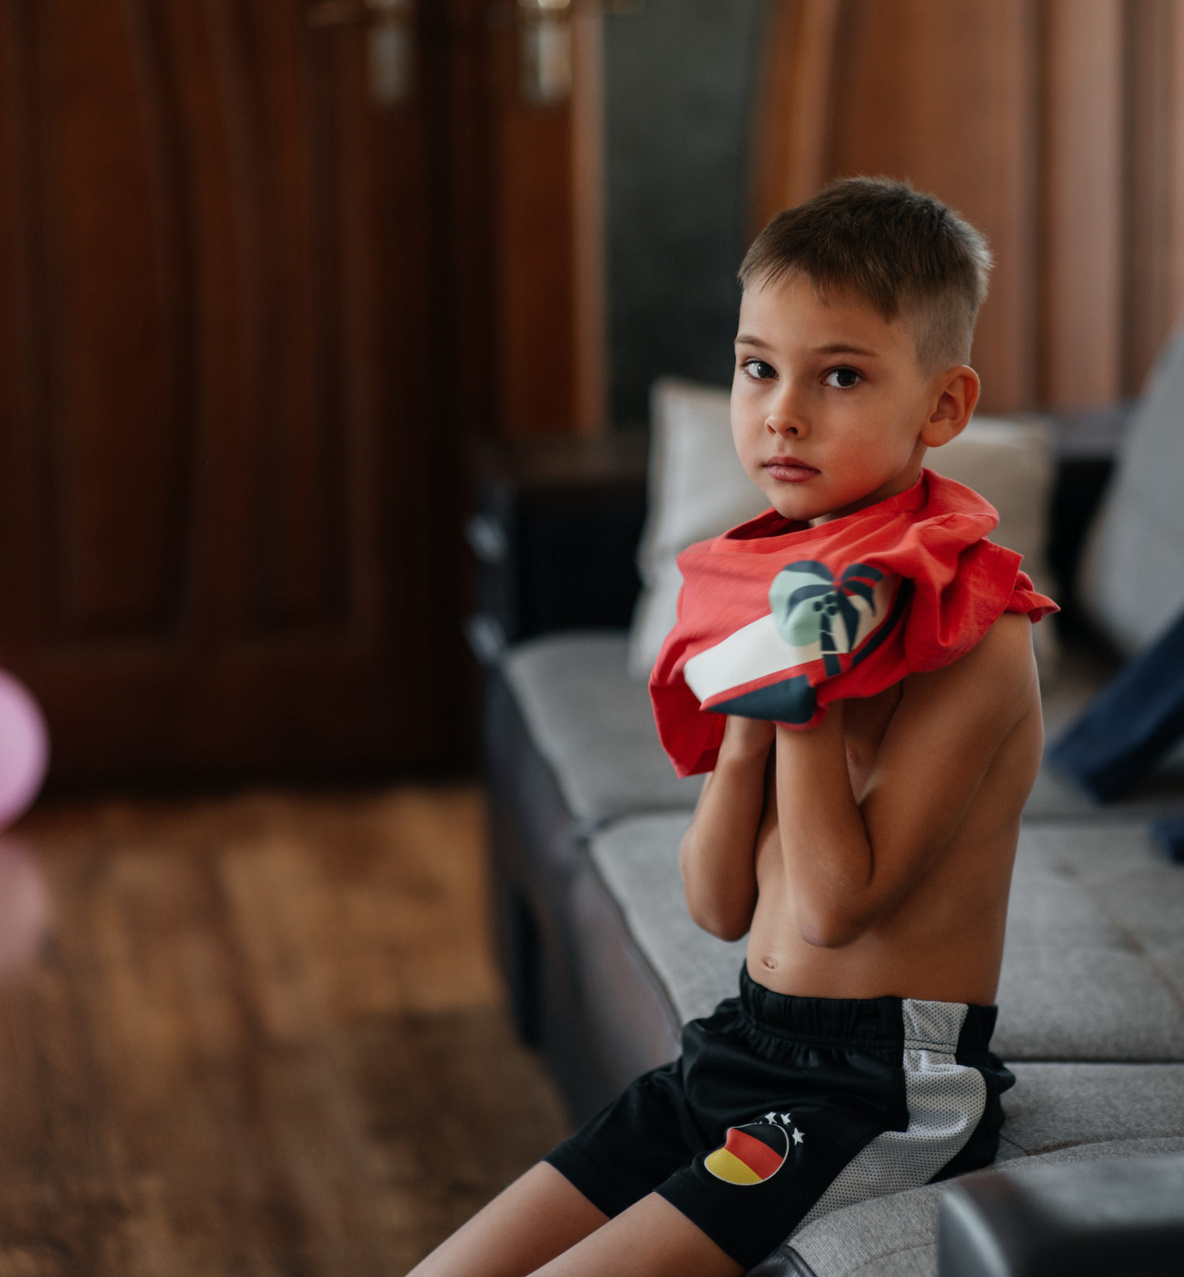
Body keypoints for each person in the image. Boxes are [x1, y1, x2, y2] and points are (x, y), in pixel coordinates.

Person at [410, 178, 1053, 1277]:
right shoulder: (780, 589)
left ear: (943, 407)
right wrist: (749, 721)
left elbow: (838, 907)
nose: (782, 413)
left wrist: (804, 691)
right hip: (744, 1040)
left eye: (840, 375)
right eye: (759, 367)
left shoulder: (976, 636)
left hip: (876, 1086)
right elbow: (715, 904)